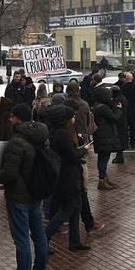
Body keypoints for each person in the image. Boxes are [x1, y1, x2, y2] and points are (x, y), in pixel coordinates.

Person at [0, 103, 49, 270]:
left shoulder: (18, 141)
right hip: (36, 192)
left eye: (13, 116)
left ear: (18, 118)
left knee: (22, 238)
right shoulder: (41, 135)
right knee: (39, 234)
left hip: (18, 195)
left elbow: (9, 173)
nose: (11, 119)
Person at [43, 103, 90, 251]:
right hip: (67, 176)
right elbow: (71, 155)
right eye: (72, 117)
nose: (74, 119)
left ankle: (74, 240)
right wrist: (84, 150)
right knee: (68, 208)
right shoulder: (63, 134)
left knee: (76, 206)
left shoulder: (54, 132)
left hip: (65, 175)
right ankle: (44, 236)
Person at [90, 86, 120, 191]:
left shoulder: (96, 106)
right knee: (103, 159)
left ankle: (104, 178)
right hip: (105, 136)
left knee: (102, 158)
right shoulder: (104, 108)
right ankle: (102, 180)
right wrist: (118, 109)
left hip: (100, 135)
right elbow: (115, 118)